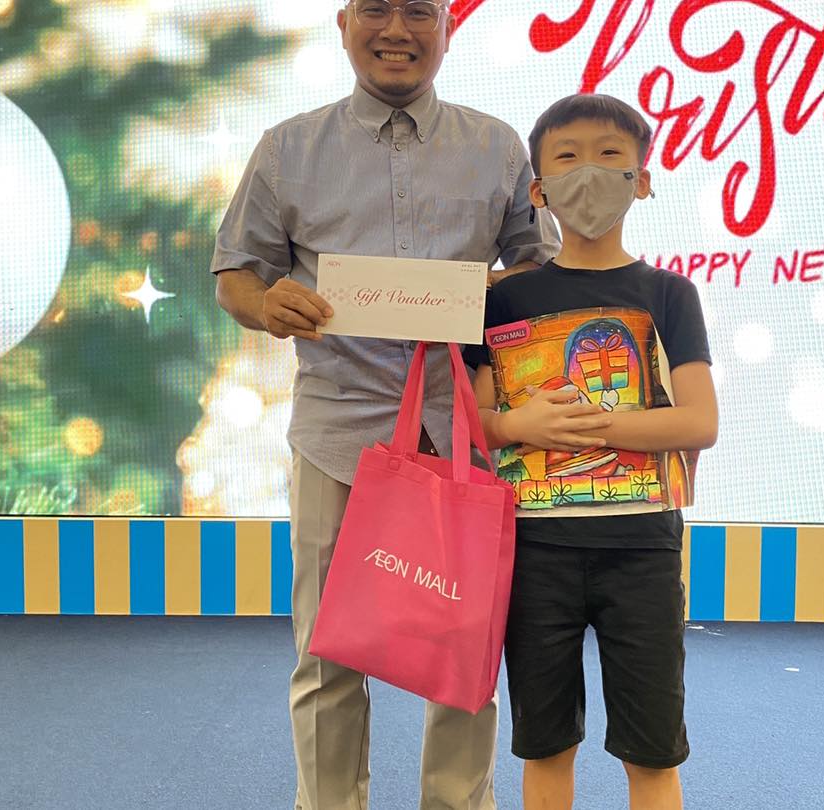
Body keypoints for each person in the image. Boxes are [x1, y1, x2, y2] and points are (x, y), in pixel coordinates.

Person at [209, 1, 559, 808]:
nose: (396, 29)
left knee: (465, 647)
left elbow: (537, 268)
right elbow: (237, 274)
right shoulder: (288, 148)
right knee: (328, 652)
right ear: (342, 22)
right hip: (340, 428)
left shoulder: (498, 145)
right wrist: (267, 306)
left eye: (419, 12)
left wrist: (508, 293)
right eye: (377, 8)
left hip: (464, 425)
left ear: (445, 26)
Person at [465, 94, 719, 810]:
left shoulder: (669, 294)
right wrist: (518, 427)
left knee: (653, 747)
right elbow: (473, 423)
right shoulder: (501, 301)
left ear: (642, 179)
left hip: (642, 549)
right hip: (533, 552)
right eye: (567, 157)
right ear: (537, 190)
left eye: (611, 157)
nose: (589, 173)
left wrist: (584, 426)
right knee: (544, 744)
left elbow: (699, 421)